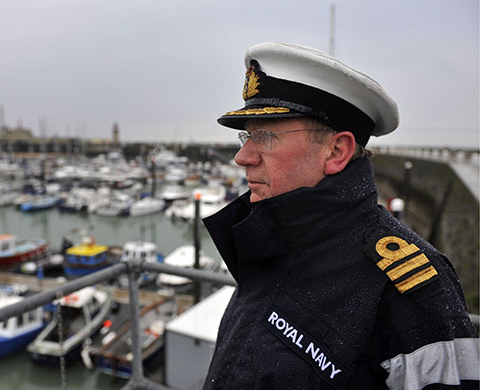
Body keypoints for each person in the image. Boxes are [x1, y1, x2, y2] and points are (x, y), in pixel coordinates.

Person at [202, 42, 479, 389]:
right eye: (247, 136)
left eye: (266, 136)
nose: (242, 156)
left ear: (336, 151)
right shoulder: (267, 240)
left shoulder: (414, 291)